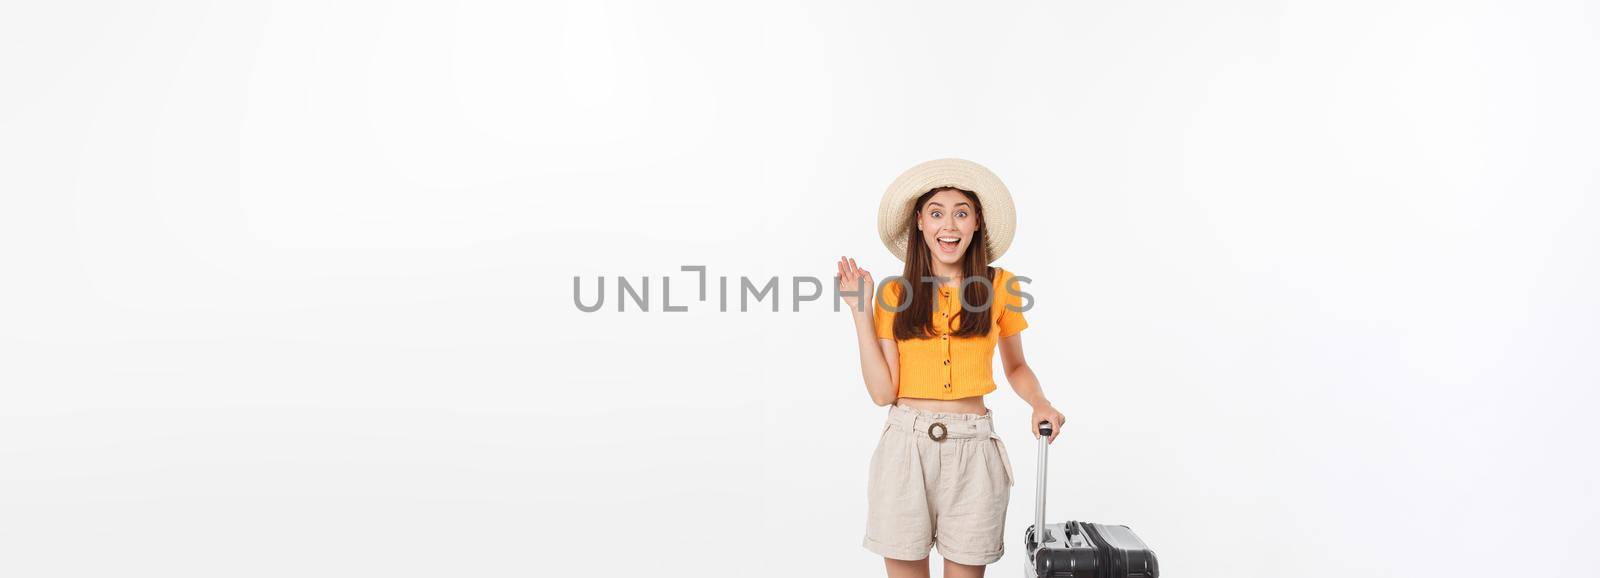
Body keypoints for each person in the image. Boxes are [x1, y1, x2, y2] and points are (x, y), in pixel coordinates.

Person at [836, 158, 1064, 578]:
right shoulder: (892, 293)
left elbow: (1016, 367)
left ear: (977, 222)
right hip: (905, 447)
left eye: (961, 212)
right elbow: (884, 393)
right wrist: (859, 312)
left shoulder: (1001, 286)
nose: (950, 226)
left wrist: (1040, 403)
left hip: (974, 451)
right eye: (937, 213)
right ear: (919, 222)